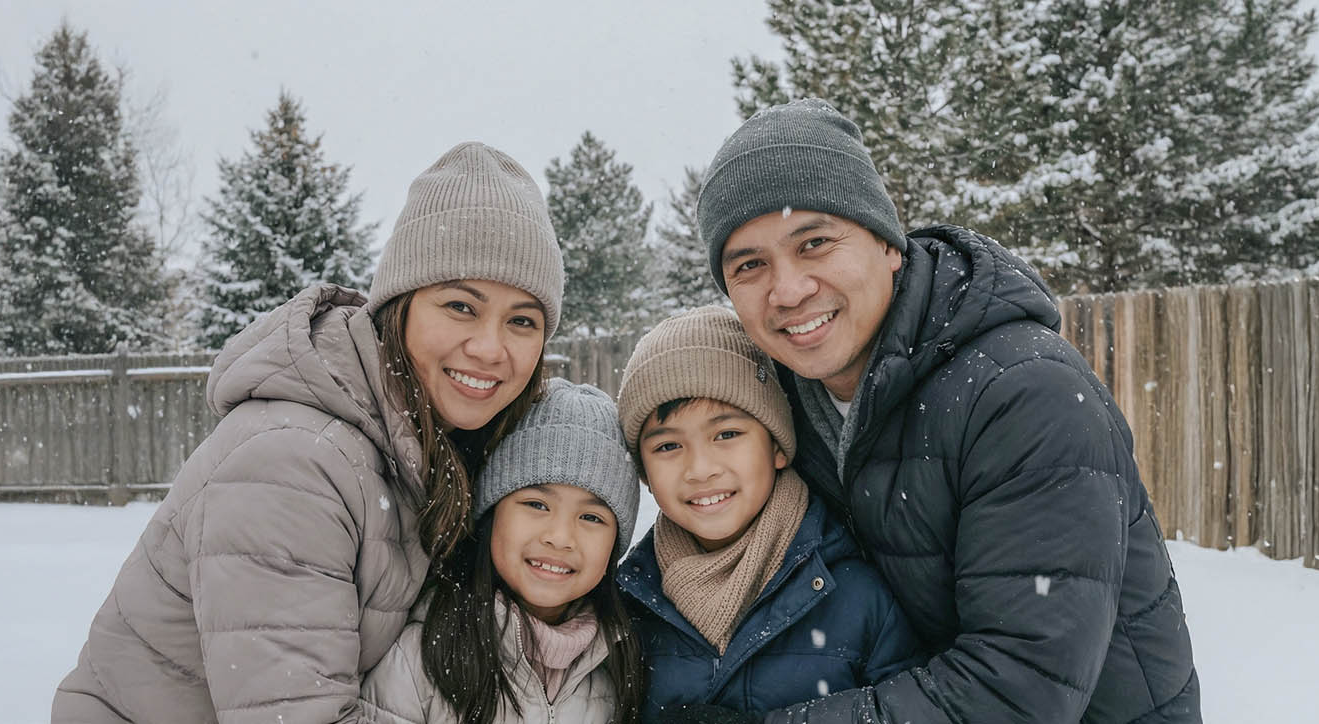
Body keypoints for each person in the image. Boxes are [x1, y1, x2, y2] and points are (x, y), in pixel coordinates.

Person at [678, 98, 1201, 723]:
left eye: (815, 242)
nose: (788, 289)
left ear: (888, 244)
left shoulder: (1023, 394)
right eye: (750, 266)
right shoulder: (780, 407)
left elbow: (1018, 688)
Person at [50, 141, 567, 723]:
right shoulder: (293, 462)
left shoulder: (433, 450)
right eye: (460, 307)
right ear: (398, 307)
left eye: (522, 320)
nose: (491, 347)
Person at [613, 305, 918, 721]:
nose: (700, 469)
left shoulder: (859, 595)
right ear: (645, 471)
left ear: (777, 446)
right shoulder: (626, 605)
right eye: (668, 446)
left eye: (727, 434)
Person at [359, 379, 645, 724]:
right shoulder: (421, 659)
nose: (560, 537)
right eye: (537, 504)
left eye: (591, 516)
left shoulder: (616, 665)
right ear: (491, 513)